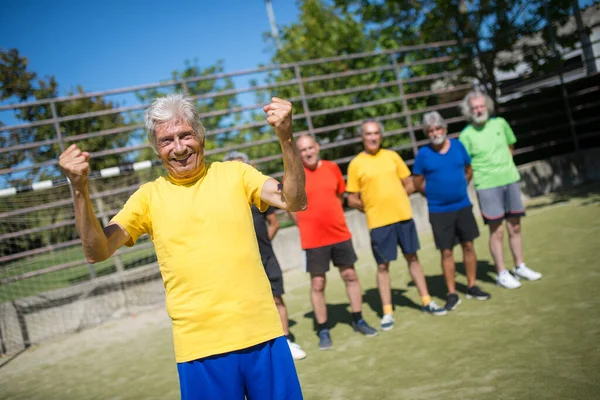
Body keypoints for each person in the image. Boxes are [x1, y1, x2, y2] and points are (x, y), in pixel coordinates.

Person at [58, 94, 306, 400]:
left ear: (200, 135)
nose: (179, 147)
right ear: (156, 148)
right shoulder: (147, 198)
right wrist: (80, 189)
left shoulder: (236, 174)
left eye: (186, 134)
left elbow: (295, 200)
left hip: (265, 335)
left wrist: (286, 137)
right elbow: (96, 252)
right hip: (200, 349)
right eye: (166, 140)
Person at [346, 120, 447, 332]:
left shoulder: (392, 156)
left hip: (403, 218)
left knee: (413, 259)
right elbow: (351, 198)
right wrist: (371, 207)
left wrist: (400, 196)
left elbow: (409, 183)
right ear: (362, 138)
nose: (372, 137)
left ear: (380, 135)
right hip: (379, 224)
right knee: (383, 267)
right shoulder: (356, 164)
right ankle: (387, 312)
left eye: (376, 133)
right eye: (368, 134)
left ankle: (427, 300)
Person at [290, 134, 378, 350]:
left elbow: (339, 197)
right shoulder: (293, 175)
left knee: (350, 276)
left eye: (311, 147)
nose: (308, 152)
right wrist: (307, 225)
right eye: (303, 150)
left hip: (339, 234)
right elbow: (291, 208)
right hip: (313, 240)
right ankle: (323, 329)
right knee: (318, 284)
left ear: (317, 147)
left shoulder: (332, 168)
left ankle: (358, 319)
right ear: (297, 153)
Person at [222, 150, 306, 360]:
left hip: (266, 258)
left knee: (276, 298)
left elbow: (275, 223)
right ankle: (256, 346)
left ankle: (286, 341)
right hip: (239, 265)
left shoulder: (260, 195)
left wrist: (260, 243)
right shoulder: (223, 202)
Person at [459, 90, 542, 289]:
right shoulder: (466, 135)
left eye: (481, 106)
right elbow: (465, 165)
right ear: (468, 111)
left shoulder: (500, 123)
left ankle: (519, 266)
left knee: (515, 226)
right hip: (487, 185)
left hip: (510, 180)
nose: (479, 110)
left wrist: (504, 166)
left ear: (487, 105)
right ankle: (501, 273)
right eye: (474, 108)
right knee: (496, 232)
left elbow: (510, 146)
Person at [413, 111, 491, 311]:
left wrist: (461, 185)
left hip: (463, 206)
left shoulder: (457, 146)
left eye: (438, 128)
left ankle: (472, 286)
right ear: (426, 133)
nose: (435, 132)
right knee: (446, 252)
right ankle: (452, 293)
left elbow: (469, 168)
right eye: (430, 130)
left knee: (468, 246)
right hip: (439, 211)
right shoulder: (423, 154)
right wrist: (433, 195)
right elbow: (418, 182)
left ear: (445, 129)